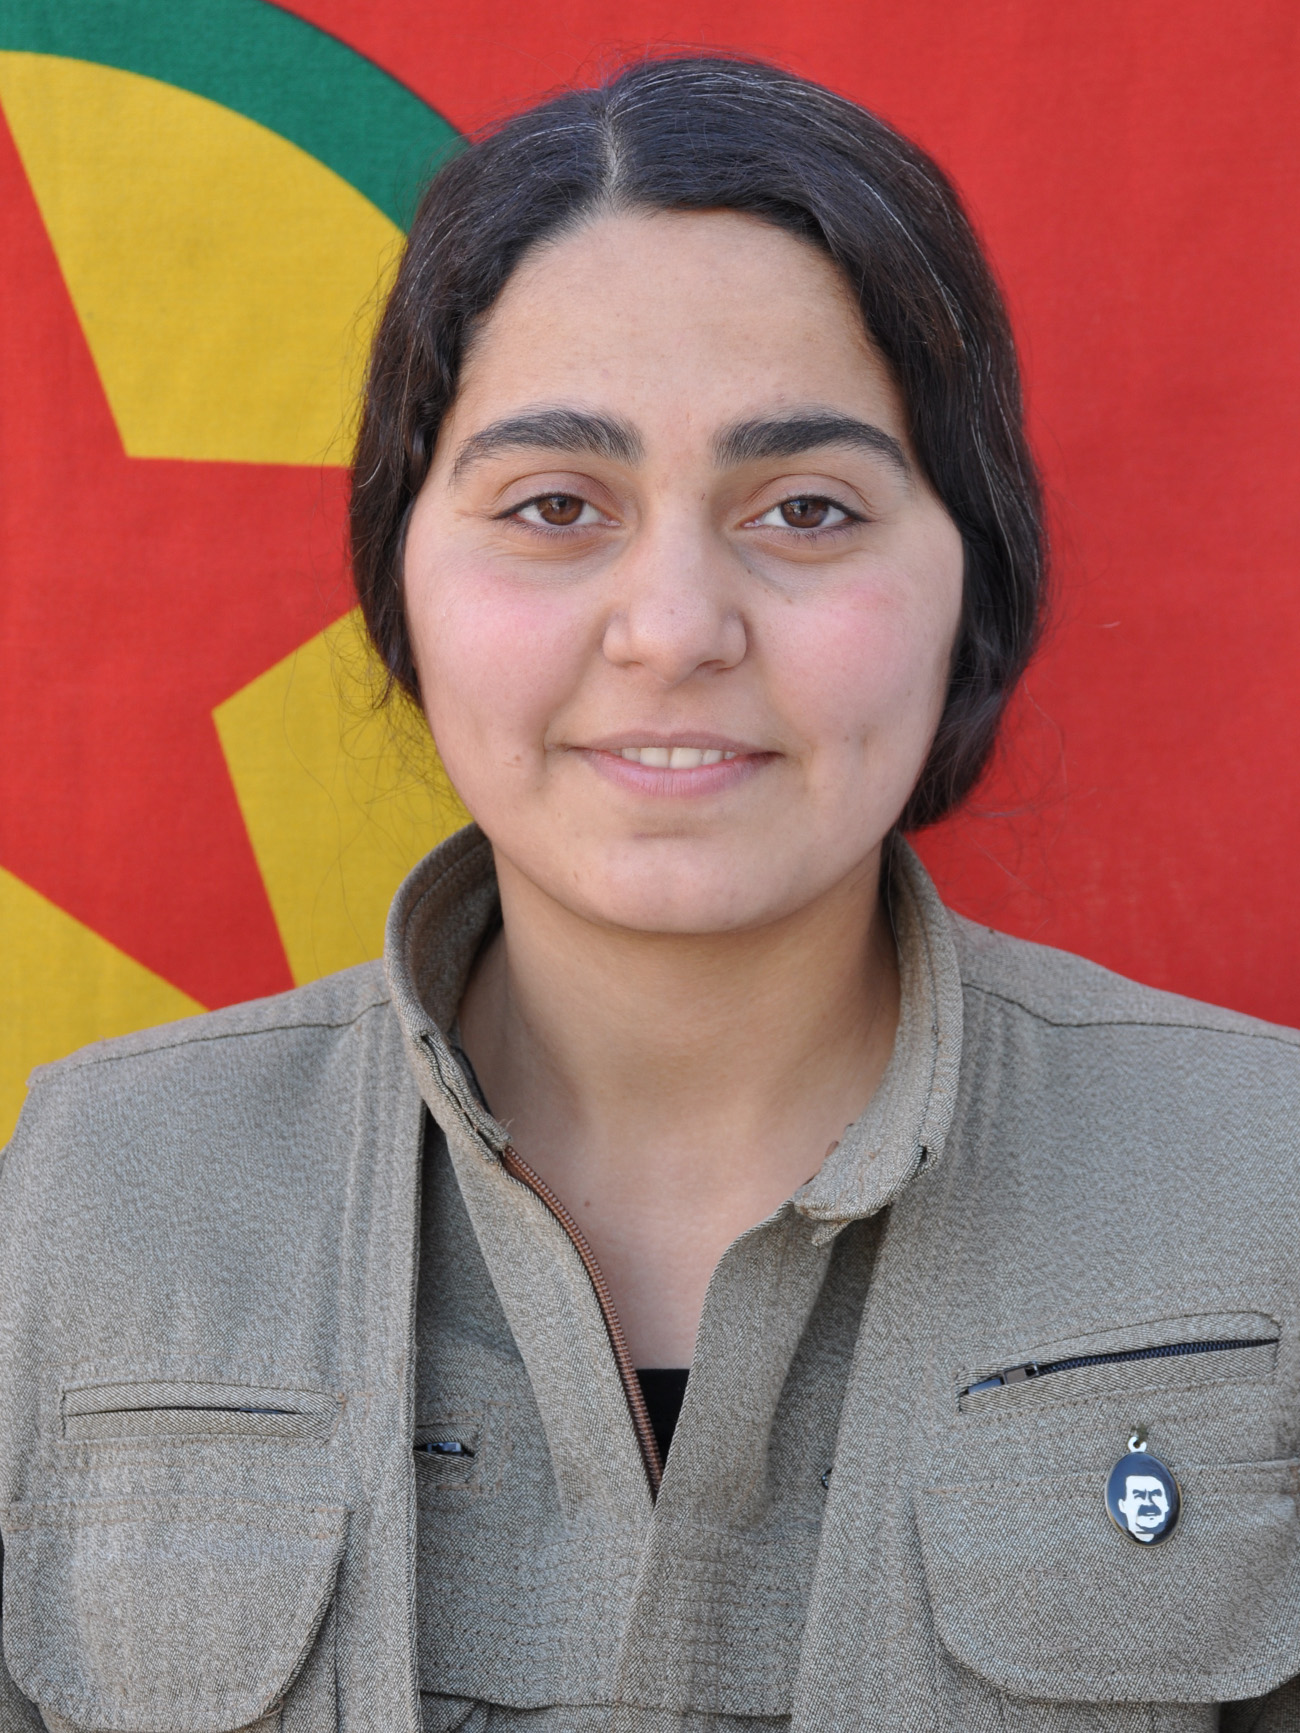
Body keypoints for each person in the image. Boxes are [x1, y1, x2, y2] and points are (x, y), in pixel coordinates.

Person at [0, 53, 1297, 1733]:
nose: (676, 626)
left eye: (807, 508)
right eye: (556, 505)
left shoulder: (1260, 1187)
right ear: (401, 580)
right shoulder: (91, 1203)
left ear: (971, 577)